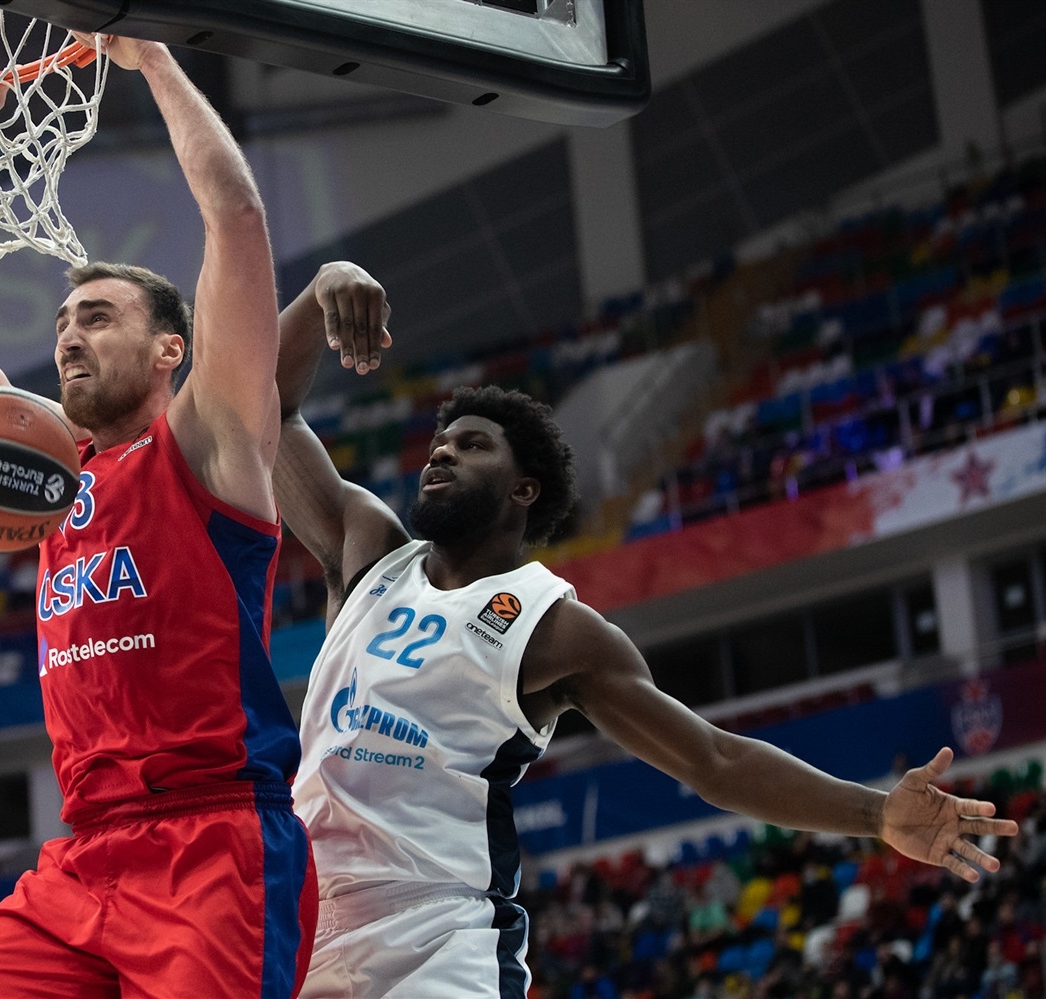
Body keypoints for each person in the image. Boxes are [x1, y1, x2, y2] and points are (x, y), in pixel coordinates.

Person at [271, 262, 1021, 999]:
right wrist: (320, 288)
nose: (442, 450)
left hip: (433, 939)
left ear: (523, 490)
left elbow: (715, 760)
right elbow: (264, 412)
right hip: (296, 918)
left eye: (473, 445)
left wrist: (876, 813)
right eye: (442, 441)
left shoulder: (554, 627)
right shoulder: (366, 549)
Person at [0, 37, 312, 998]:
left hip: (214, 840)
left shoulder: (211, 441)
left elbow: (236, 216)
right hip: (84, 856)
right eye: (64, 324)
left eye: (98, 318)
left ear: (170, 349)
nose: (69, 337)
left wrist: (154, 62)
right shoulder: (41, 464)